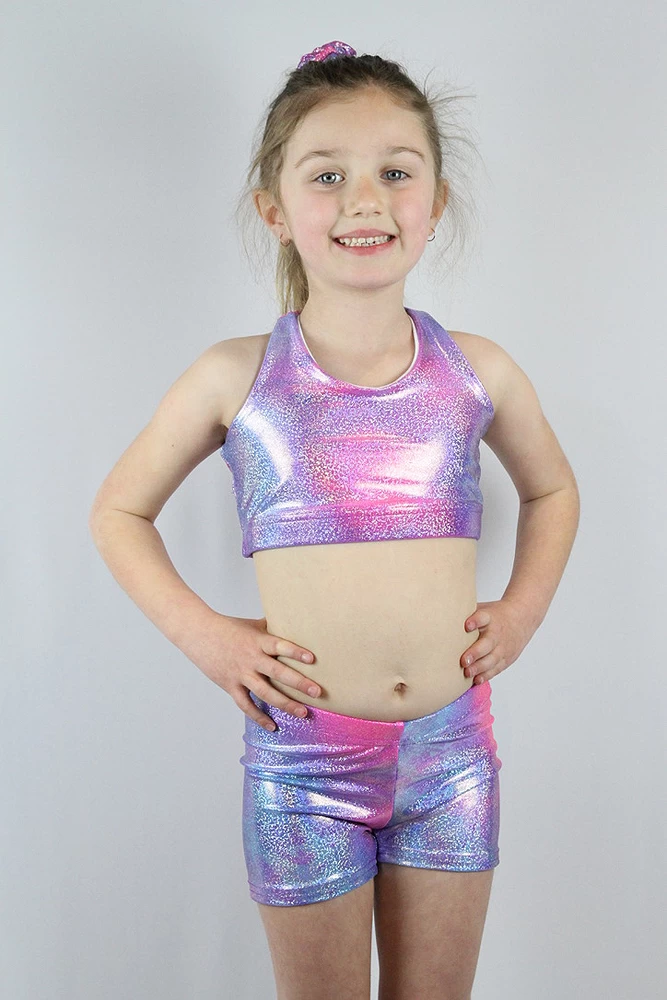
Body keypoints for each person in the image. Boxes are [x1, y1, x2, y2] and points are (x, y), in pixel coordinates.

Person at [89, 39, 580, 1000]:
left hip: (453, 758)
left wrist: (521, 609)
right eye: (327, 176)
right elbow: (118, 509)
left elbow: (552, 490)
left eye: (396, 172)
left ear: (435, 202)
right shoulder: (235, 376)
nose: (365, 200)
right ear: (274, 211)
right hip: (304, 765)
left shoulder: (477, 369)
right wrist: (207, 637)